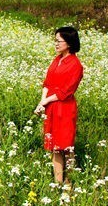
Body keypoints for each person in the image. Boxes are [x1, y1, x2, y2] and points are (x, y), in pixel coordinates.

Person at [34, 26, 83, 190]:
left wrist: (46, 101)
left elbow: (66, 92)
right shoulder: (57, 60)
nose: (55, 44)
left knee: (66, 147)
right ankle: (57, 183)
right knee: (55, 147)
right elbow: (47, 83)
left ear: (68, 43)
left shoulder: (75, 65)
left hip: (65, 108)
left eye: (58, 41)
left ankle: (69, 183)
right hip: (51, 107)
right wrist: (42, 102)